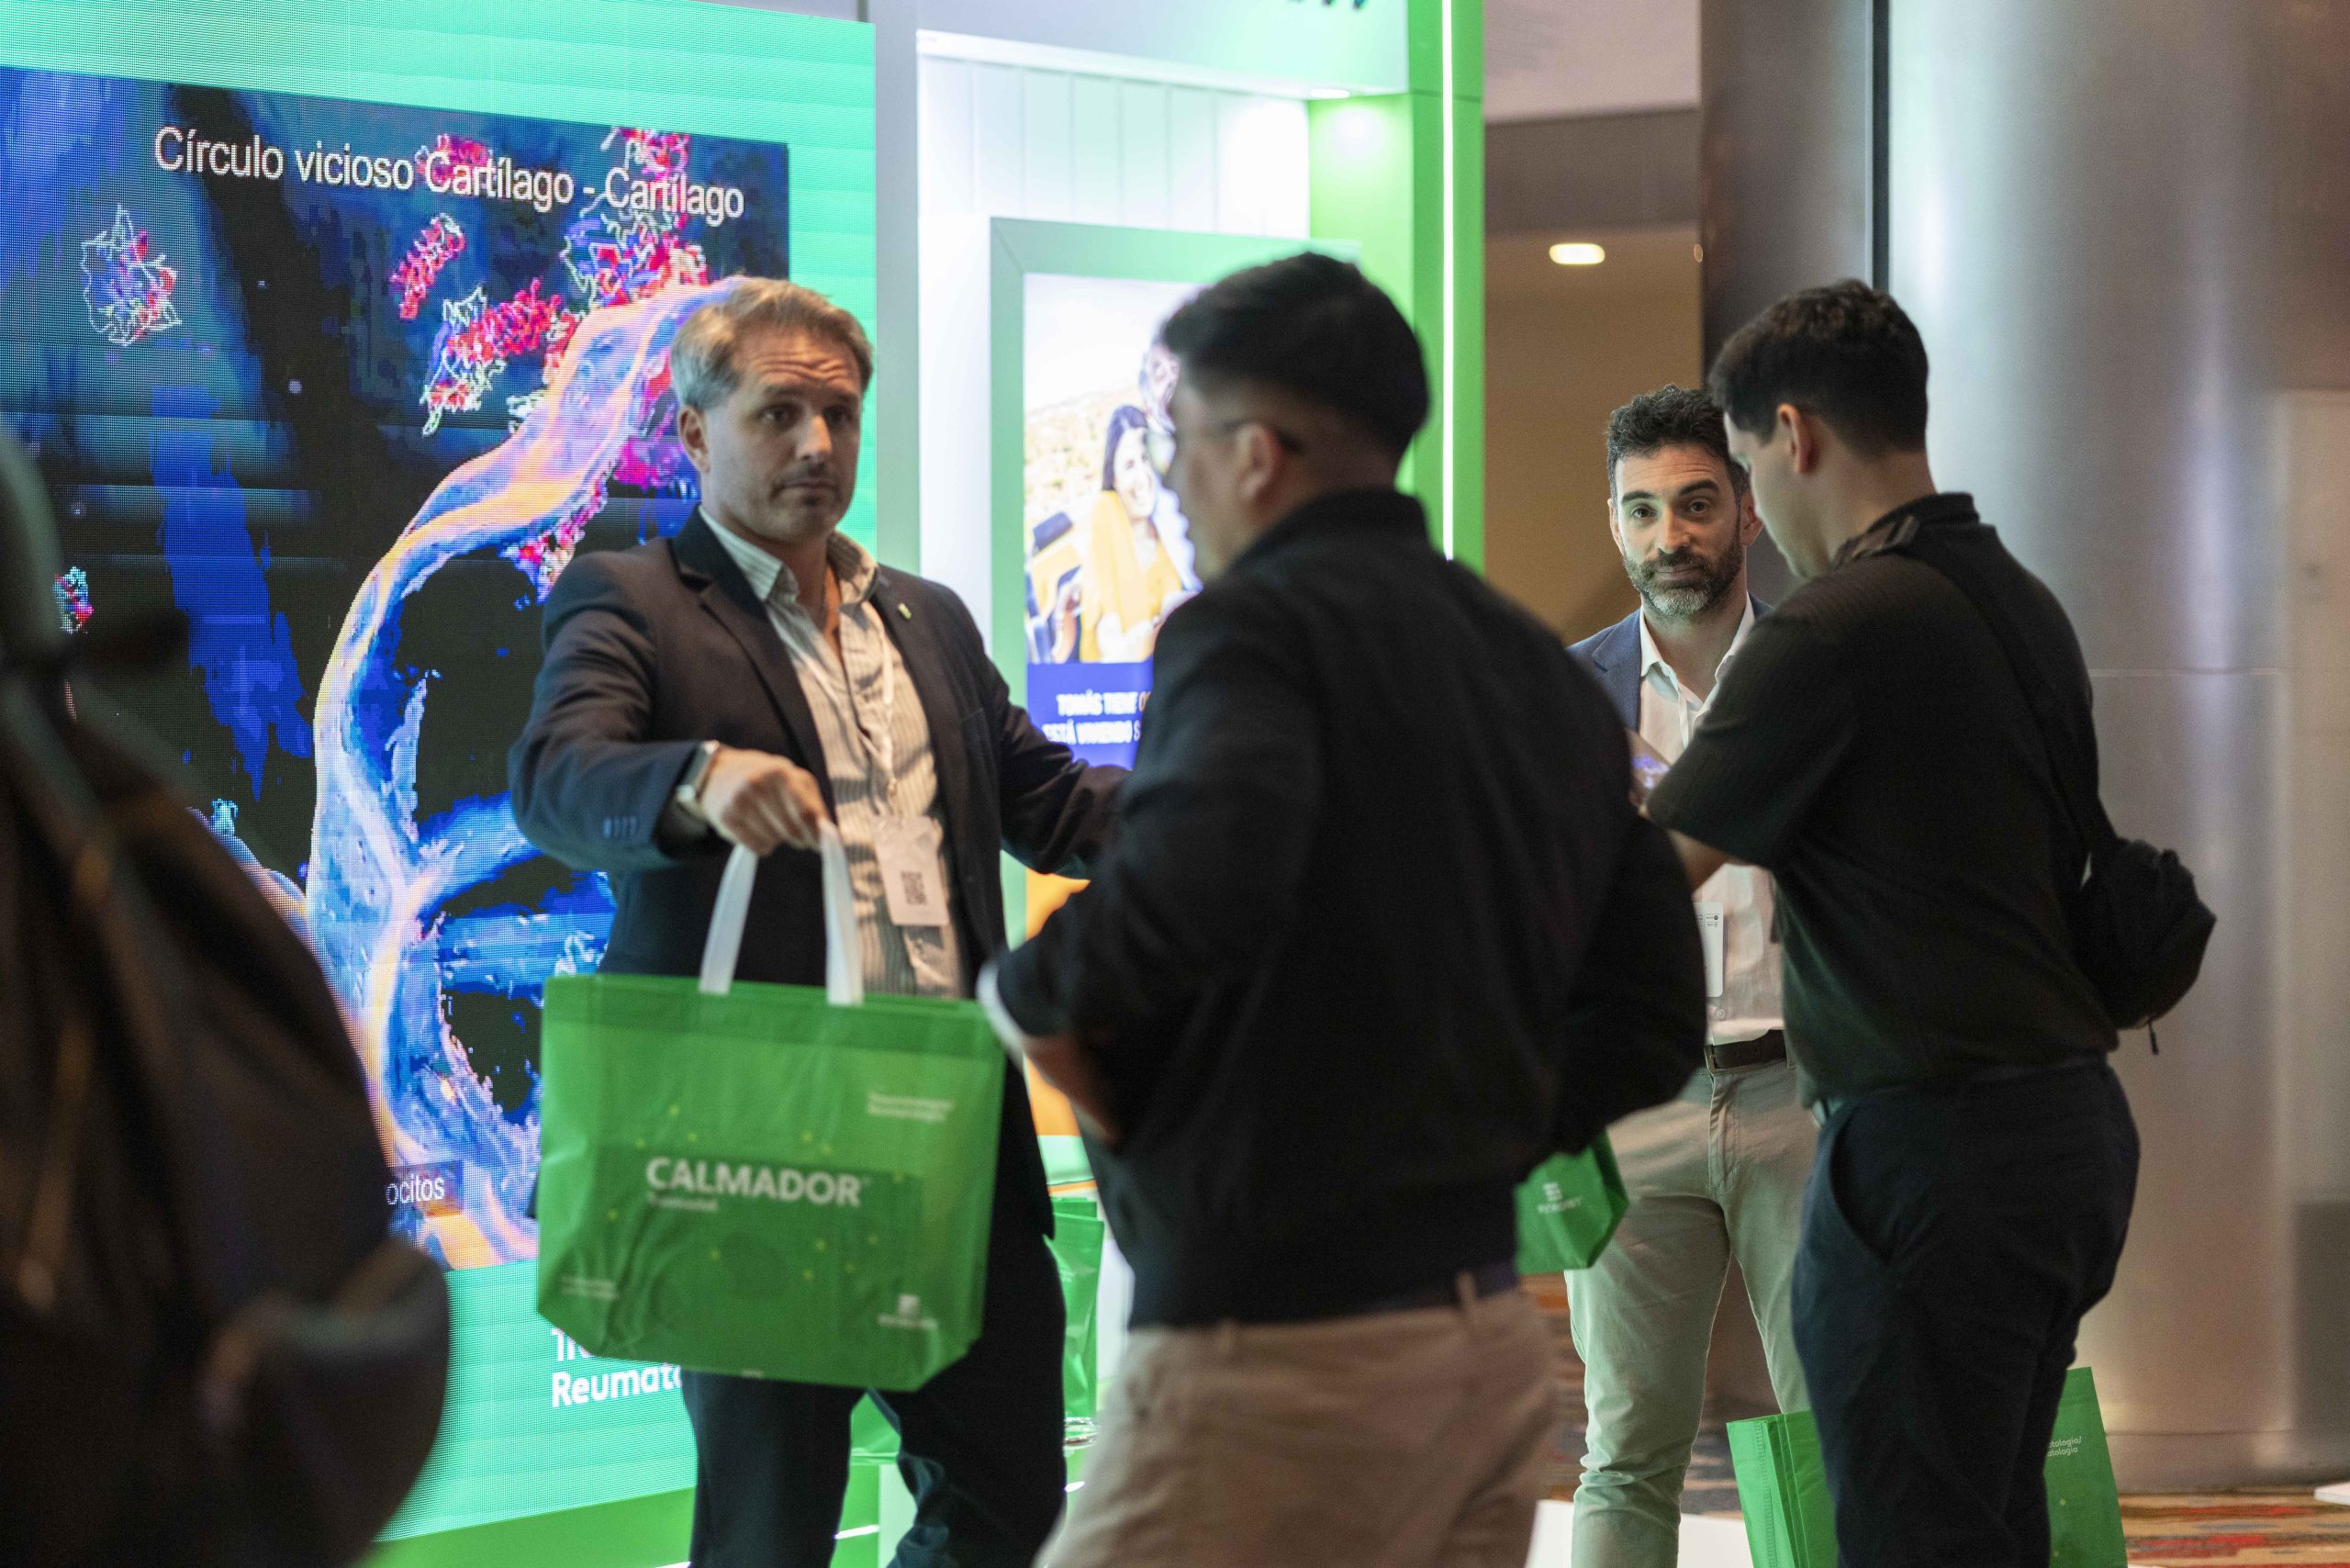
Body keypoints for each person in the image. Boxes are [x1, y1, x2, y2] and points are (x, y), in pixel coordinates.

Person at [979, 252, 1708, 1568]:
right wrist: (1472, 1137)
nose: (1167, 480)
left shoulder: (1246, 633)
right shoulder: (1532, 668)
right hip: (1480, 1337)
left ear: (1255, 453)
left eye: (1178, 441)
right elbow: (1654, 1010)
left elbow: (1191, 890)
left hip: (1273, 1357)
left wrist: (1027, 989)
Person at [508, 277, 1124, 1568]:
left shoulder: (927, 618)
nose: (817, 445)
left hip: (950, 1131)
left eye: (838, 415)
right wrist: (693, 779)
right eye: (779, 413)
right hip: (756, 1149)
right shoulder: (633, 598)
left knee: (1013, 1503)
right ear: (694, 432)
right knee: (770, 1528)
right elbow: (556, 777)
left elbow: (1053, 803)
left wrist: (1245, 809)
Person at [1646, 281, 2140, 1568]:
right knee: (1987, 1524)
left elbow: (1642, 880)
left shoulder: (1829, 630)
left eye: (1743, 469)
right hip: (2065, 1133)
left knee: (1912, 1536)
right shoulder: (2016, 599)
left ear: (1791, 434)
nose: (1755, 508)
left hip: (1930, 1157)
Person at [1564, 385, 1816, 1568]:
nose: (1670, 536)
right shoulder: (1566, 696)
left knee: (1831, 1435)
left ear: (1748, 511)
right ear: (1614, 523)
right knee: (1624, 1451)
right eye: (1643, 510)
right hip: (1636, 1105)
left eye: (1696, 504)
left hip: (1803, 1092)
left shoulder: (1818, 673)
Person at [1077, 403, 1187, 661]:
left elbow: (1173, 615)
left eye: (1146, 459)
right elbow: (1111, 648)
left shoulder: (1166, 530)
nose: (1142, 476)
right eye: (1129, 465)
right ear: (1114, 478)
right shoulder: (1106, 511)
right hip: (1107, 682)